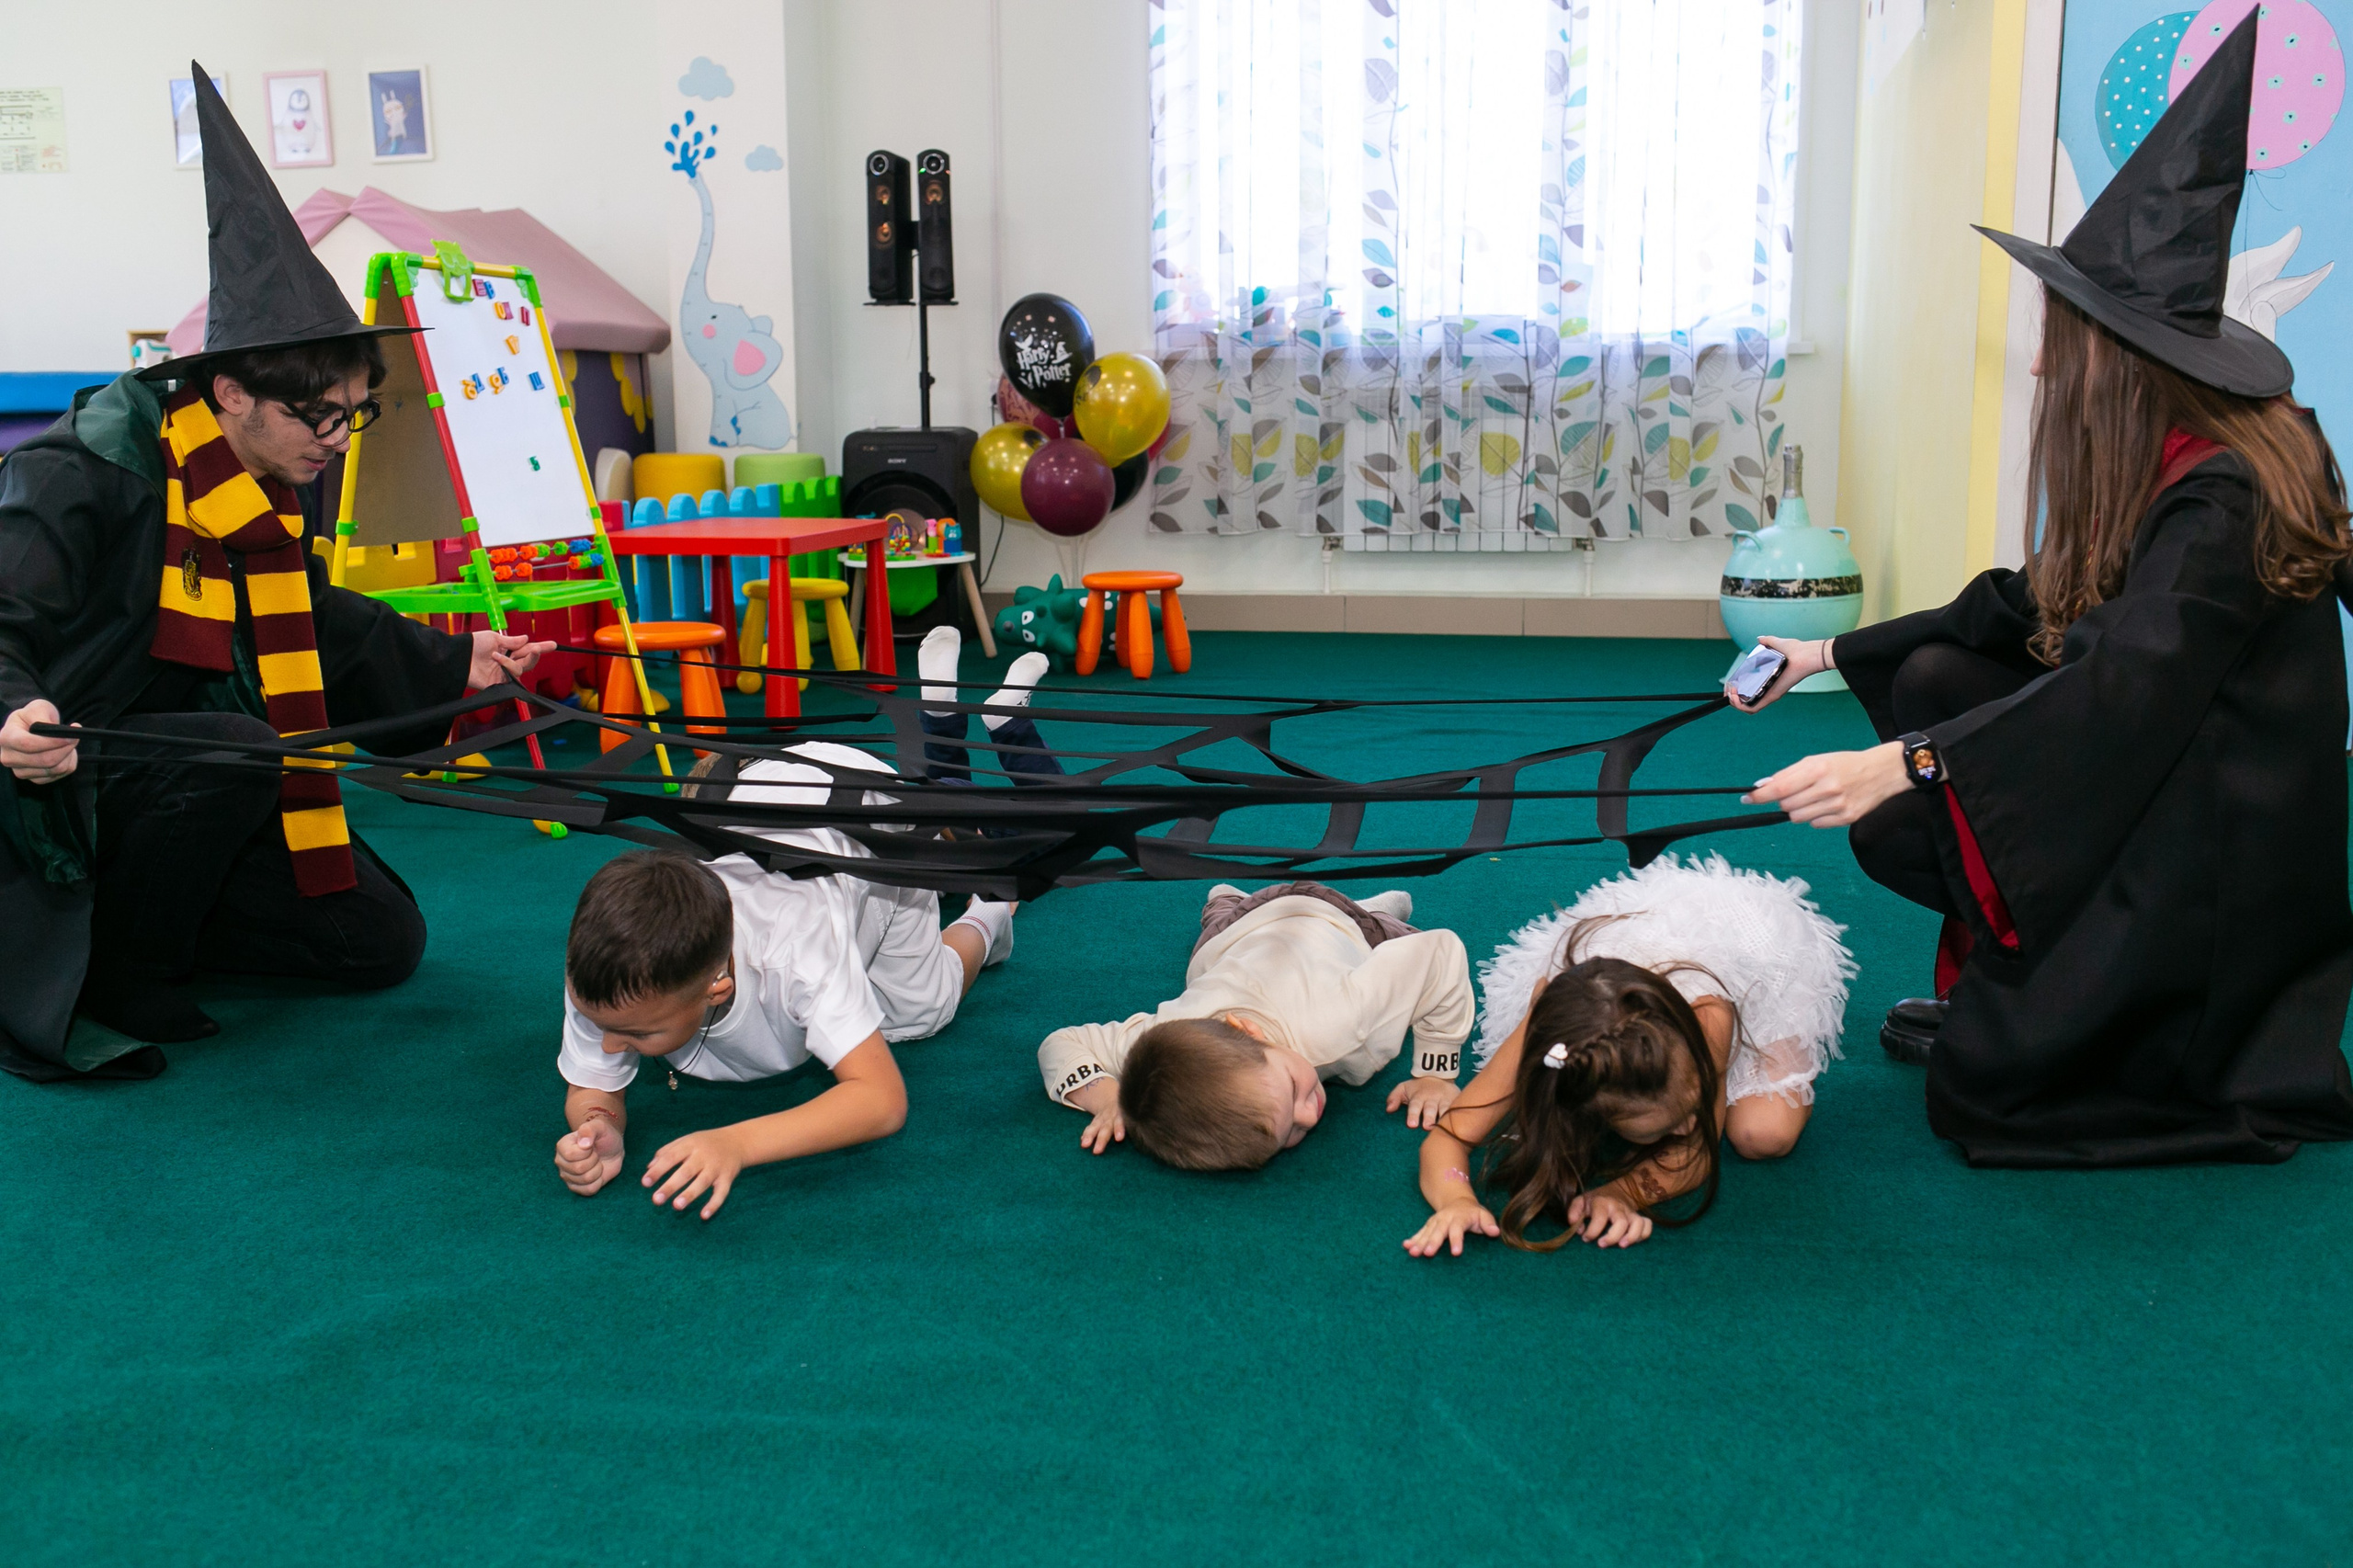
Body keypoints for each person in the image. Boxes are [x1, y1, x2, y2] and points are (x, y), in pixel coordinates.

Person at [1729, 11, 2353, 1167]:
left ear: (2119, 361)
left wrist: (1912, 760)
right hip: (2167, 776)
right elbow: (2026, 600)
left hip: (2216, 866)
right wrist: (1829, 652)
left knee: (1984, 1090)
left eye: (2057, 336)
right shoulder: (2183, 452)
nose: (2036, 359)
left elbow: (2121, 685)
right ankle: (2032, 968)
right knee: (1933, 672)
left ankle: (2113, 1020)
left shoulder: (2228, 498)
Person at [0, 65, 547, 1081]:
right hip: (64, 783)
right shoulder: (79, 469)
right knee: (238, 748)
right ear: (230, 393)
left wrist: (451, 660)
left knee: (376, 943)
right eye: (317, 415)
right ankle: (116, 970)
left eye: (354, 413)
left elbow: (313, 615)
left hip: (201, 778)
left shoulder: (271, 482)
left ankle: (152, 915)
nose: (337, 439)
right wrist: (11, 712)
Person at [551, 740, 1022, 1221]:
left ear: (717, 988)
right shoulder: (611, 965)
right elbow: (594, 1086)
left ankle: (987, 907)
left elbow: (881, 1101)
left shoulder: (797, 953)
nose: (608, 1044)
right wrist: (599, 1123)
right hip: (770, 804)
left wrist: (737, 1143)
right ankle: (945, 851)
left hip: (873, 820)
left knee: (918, 1013)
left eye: (635, 1033)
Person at [1404, 854, 1853, 1256]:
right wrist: (1456, 1201)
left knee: (1764, 1136)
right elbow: (1447, 1138)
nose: (1689, 1126)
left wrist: (1622, 1194)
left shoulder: (1709, 1020)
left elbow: (1696, 1154)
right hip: (1618, 962)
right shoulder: (1550, 1030)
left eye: (1687, 1108)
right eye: (1678, 1118)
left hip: (1757, 943)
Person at [1040, 881, 1473, 1170]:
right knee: (1219, 917)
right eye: (1291, 1134)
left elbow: (1440, 950)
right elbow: (1058, 1043)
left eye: (1292, 1090)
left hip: (1330, 915)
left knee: (1391, 933)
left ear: (1248, 1031)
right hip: (1232, 932)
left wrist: (1436, 1072)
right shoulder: (1157, 1042)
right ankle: (1224, 895)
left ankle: (1377, 908)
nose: (1310, 1114)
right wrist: (1108, 1096)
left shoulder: (1342, 1024)